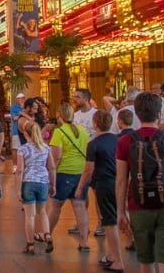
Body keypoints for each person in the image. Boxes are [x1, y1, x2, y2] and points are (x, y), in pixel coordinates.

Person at [116, 92, 164, 273]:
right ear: (159, 114)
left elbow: (121, 180)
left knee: (146, 261)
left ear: (136, 113)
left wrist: (121, 211)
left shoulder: (125, 141)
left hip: (138, 206)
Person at [78, 110, 122, 271]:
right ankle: (112, 254)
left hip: (104, 183)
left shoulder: (93, 144)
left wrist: (80, 187)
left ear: (95, 124)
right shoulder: (119, 141)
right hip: (119, 182)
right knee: (116, 218)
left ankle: (117, 260)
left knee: (110, 223)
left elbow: (88, 170)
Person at [47, 102, 92, 250]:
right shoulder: (83, 131)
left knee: (55, 206)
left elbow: (56, 157)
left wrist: (51, 175)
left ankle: (47, 235)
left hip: (64, 172)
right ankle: (84, 241)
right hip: (80, 172)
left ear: (59, 115)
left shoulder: (59, 133)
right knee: (80, 207)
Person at [17, 122, 56, 255]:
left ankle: (30, 244)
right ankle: (47, 235)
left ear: (25, 133)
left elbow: (20, 170)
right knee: (43, 212)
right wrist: (53, 184)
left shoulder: (23, 149)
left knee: (30, 216)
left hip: (28, 182)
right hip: (43, 182)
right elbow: (51, 167)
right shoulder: (45, 147)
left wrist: (18, 189)